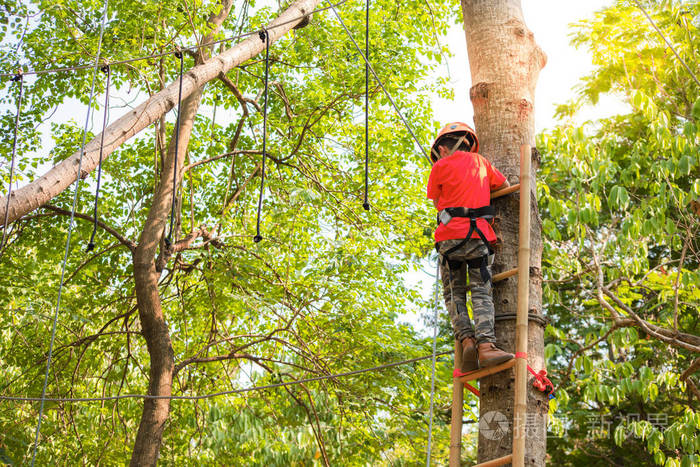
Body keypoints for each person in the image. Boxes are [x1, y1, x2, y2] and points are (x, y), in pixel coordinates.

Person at [426, 122, 514, 375]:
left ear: (443, 147)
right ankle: (486, 345)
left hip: (449, 241)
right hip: (477, 237)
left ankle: (466, 340)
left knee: (454, 293)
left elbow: (437, 203)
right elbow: (503, 184)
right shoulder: (481, 162)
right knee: (480, 290)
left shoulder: (439, 167)